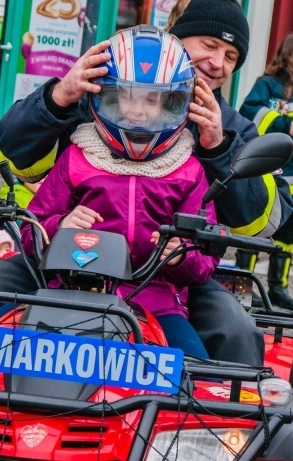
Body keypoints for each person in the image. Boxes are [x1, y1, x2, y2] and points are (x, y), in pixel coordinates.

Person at [0, 0, 292, 367]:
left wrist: (218, 149)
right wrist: (58, 97)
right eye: (209, 45)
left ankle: (217, 424)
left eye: (231, 57)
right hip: (60, 261)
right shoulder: (99, 89)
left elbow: (266, 220)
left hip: (164, 278)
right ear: (175, 35)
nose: (218, 62)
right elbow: (10, 152)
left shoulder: (230, 128)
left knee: (236, 332)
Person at [21, 26, 218, 357]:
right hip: (68, 293)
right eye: (126, 97)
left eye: (153, 100)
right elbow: (31, 230)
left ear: (175, 102)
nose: (138, 111)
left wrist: (182, 253)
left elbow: (207, 256)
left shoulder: (189, 171)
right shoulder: (78, 156)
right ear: (104, 95)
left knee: (194, 373)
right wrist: (59, 228)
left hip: (156, 303)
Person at [237, 32, 293, 310]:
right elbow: (249, 112)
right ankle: (242, 286)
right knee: (257, 230)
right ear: (289, 55)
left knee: (288, 235)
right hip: (274, 169)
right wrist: (283, 124)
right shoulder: (267, 85)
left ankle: (278, 287)